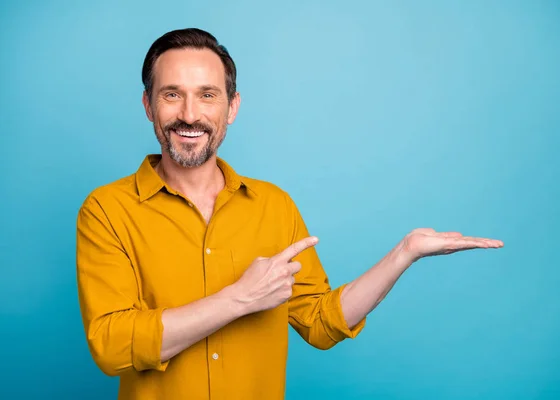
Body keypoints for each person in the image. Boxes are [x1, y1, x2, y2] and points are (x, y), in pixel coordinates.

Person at [75, 28, 503, 400]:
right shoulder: (107, 210)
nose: (190, 114)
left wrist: (404, 253)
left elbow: (320, 322)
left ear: (232, 107)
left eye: (208, 95)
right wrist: (239, 299)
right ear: (149, 105)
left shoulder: (274, 206)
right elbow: (111, 346)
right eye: (172, 95)